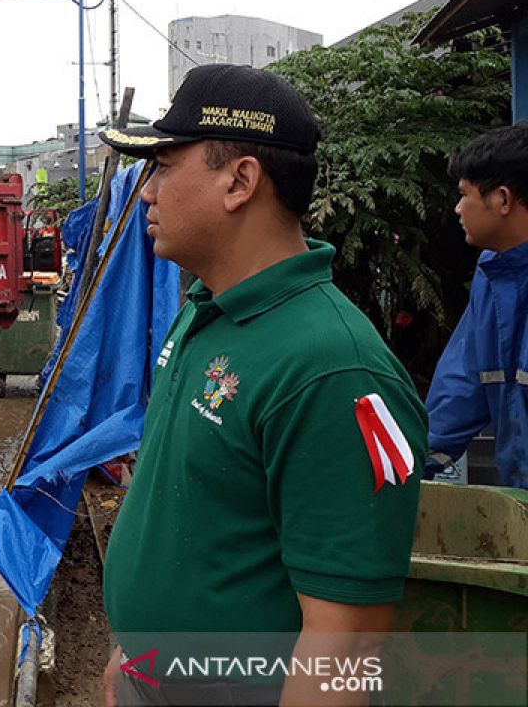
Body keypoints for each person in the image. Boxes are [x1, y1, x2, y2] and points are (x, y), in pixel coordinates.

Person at [96, 64, 426, 706]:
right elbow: (187, 503)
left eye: (163, 167)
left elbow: (346, 643)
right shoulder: (205, 308)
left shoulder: (332, 368)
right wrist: (132, 650)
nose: (145, 194)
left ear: (240, 181)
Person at [425, 123, 528, 488]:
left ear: (502, 199)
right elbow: (456, 395)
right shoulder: (492, 277)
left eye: (464, 195)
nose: (457, 209)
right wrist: (396, 471)